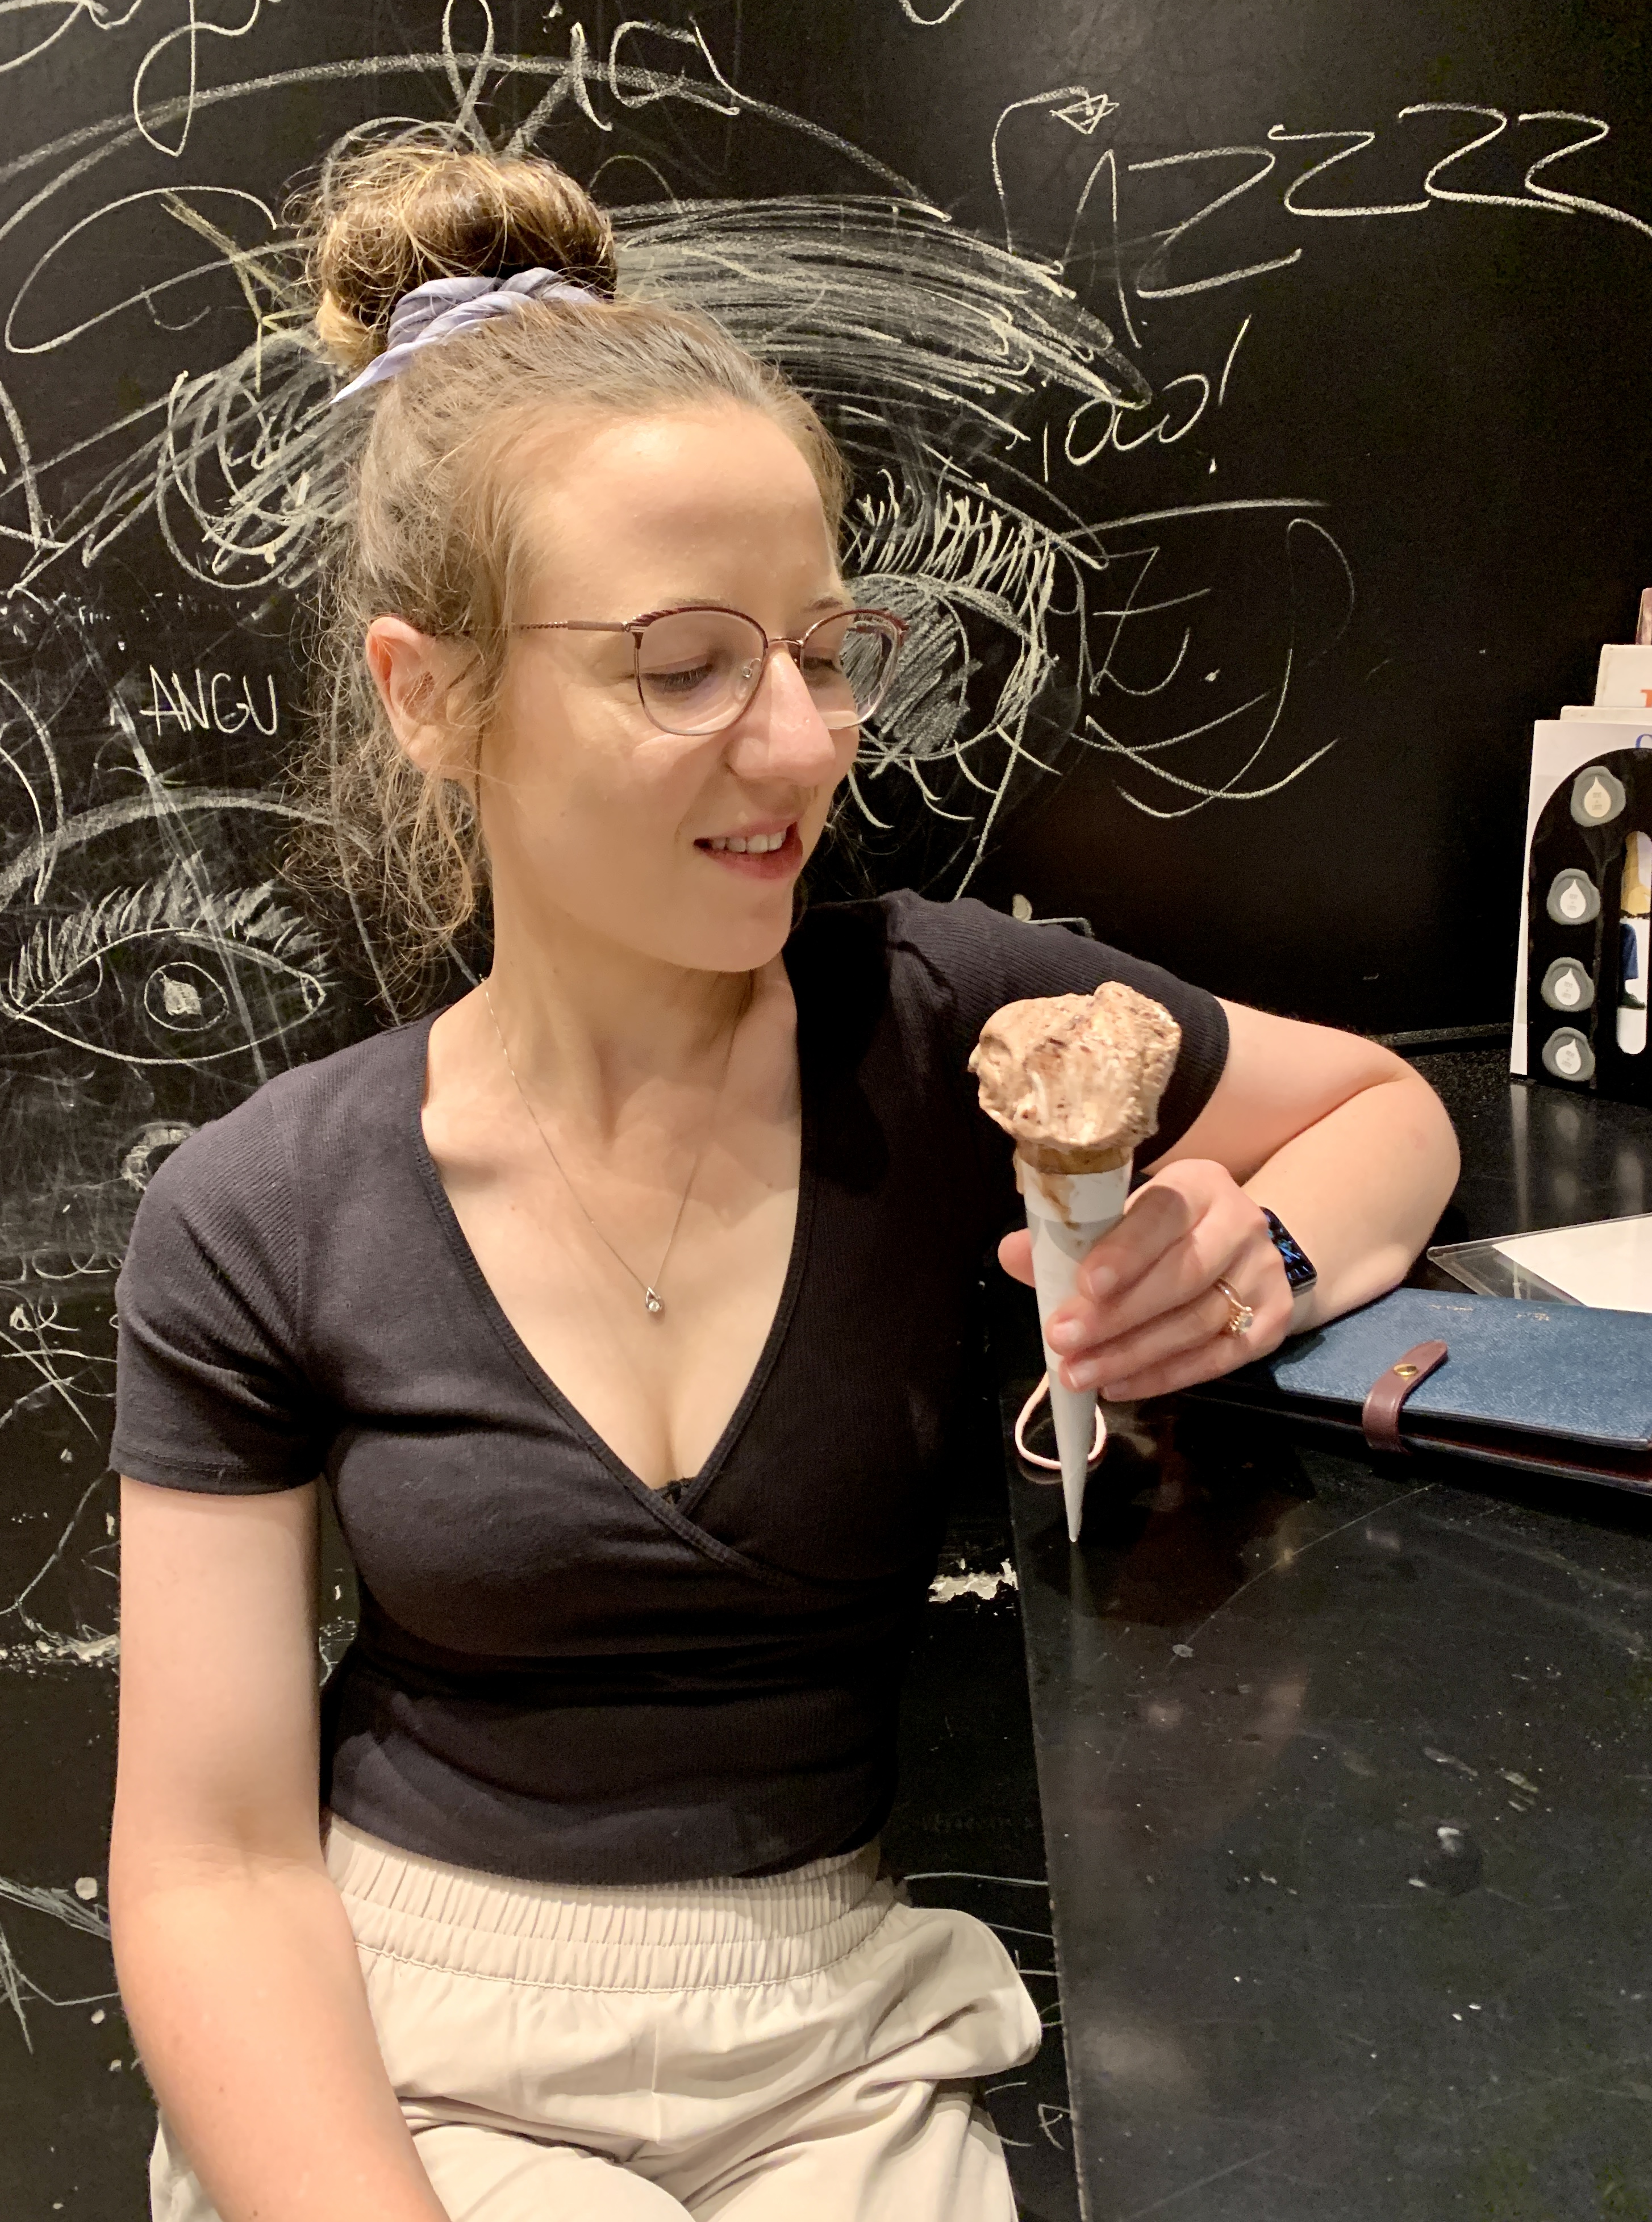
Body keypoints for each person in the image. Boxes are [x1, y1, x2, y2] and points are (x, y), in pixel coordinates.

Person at [106, 141, 1460, 2222]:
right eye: (685, 664)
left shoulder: (939, 1024)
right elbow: (211, 1869)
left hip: (837, 2040)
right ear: (431, 694)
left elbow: (1387, 1110)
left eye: (825, 651)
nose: (807, 740)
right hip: (395, 2045)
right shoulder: (257, 1216)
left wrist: (1258, 1257)